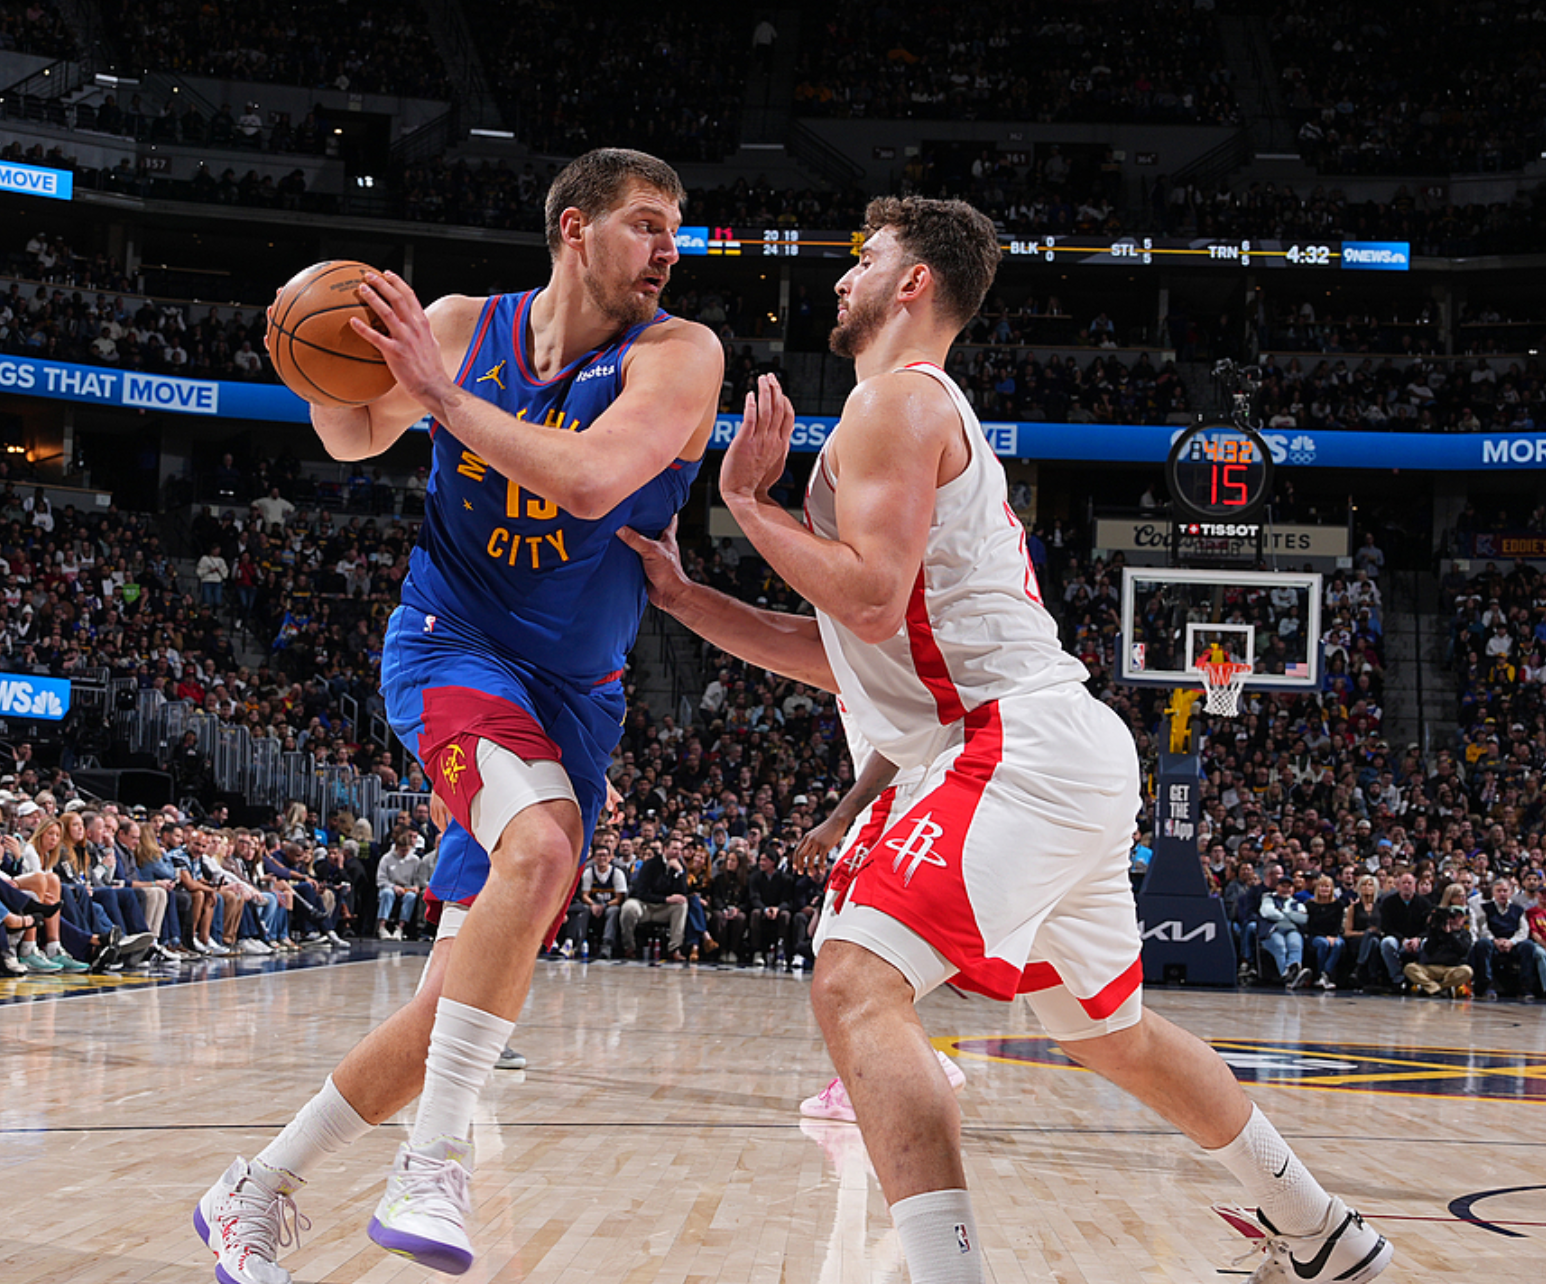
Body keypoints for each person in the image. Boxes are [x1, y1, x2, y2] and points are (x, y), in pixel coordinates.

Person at [624, 195, 1390, 1284]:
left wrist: (751, 505)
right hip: (1055, 748)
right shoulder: (903, 414)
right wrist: (685, 596)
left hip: (1008, 745)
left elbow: (870, 601)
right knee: (1111, 1037)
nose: (842, 276)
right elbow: (847, 648)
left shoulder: (894, 400)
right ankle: (1325, 1231)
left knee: (854, 981)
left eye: (865, 258)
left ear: (914, 283)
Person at [196, 147, 721, 1284]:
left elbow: (592, 480)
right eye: (645, 222)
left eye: (674, 228)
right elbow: (353, 434)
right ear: (574, 228)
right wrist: (317, 354)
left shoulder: (680, 355)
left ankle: (256, 1185)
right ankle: (433, 1163)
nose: (668, 248)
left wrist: (439, 395)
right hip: (452, 646)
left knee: (450, 1007)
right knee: (542, 845)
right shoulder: (461, 324)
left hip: (576, 698)